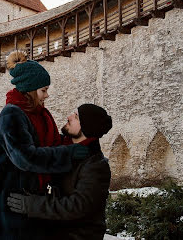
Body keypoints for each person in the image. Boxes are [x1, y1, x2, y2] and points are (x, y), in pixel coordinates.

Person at [0, 50, 90, 240]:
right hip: (14, 205)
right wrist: (69, 154)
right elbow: (25, 157)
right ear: (30, 89)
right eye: (43, 90)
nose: (47, 95)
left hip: (37, 202)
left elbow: (55, 143)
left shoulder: (42, 115)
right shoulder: (11, 114)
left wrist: (82, 140)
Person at [8, 103, 113, 240]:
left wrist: (32, 205)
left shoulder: (96, 166)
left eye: (75, 117)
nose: (69, 116)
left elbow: (77, 206)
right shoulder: (62, 151)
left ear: (87, 128)